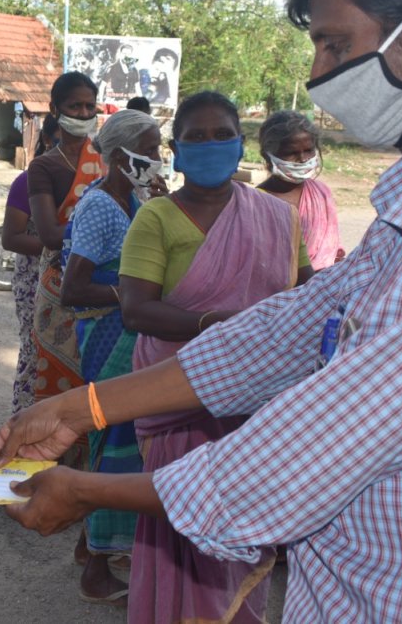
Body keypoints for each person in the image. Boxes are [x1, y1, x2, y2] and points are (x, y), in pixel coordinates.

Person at [0, 0, 402, 621]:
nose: (317, 75)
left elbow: (306, 454)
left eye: (336, 45)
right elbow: (290, 327)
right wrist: (86, 408)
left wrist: (86, 490)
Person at [117, 91, 312, 623]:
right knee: (178, 520)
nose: (210, 145)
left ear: (240, 144)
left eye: (222, 135)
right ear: (177, 150)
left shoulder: (279, 217)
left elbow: (307, 298)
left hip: (256, 403)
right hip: (174, 393)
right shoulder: (156, 217)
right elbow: (136, 309)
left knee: (242, 521)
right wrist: (219, 326)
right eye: (196, 137)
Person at [58, 109, 162, 606]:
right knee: (112, 441)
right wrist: (129, 295)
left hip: (126, 331)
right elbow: (73, 289)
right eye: (151, 149)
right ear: (121, 156)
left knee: (118, 435)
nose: (158, 157)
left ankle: (90, 545)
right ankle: (97, 571)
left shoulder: (134, 198)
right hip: (107, 334)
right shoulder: (100, 206)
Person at [26, 72, 105, 412]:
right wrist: (103, 231)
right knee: (58, 380)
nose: (84, 114)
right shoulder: (44, 167)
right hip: (61, 284)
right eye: (75, 106)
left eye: (90, 106)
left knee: (102, 381)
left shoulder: (109, 159)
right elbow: (48, 234)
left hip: (103, 284)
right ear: (55, 109)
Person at [4, 114, 57, 414]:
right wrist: (61, 246)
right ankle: (23, 424)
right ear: (47, 140)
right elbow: (11, 237)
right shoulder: (27, 182)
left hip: (75, 285)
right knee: (35, 352)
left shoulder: (90, 182)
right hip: (35, 283)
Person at [257, 111, 344, 269]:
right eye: (291, 153)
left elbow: (332, 251)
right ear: (268, 155)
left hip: (324, 281)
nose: (303, 159)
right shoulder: (257, 203)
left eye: (308, 150)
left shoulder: (321, 193)